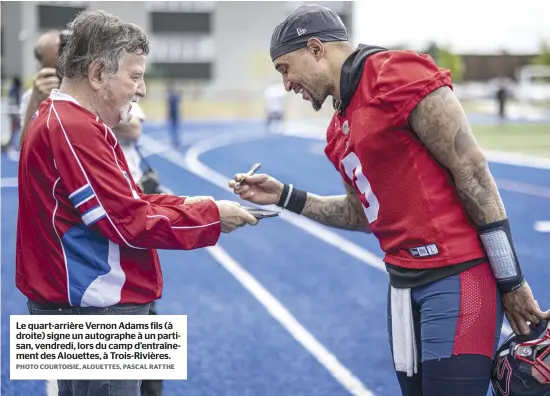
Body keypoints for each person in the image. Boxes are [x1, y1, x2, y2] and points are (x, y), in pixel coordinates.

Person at [229, 4, 550, 396]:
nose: (286, 85)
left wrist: (511, 281)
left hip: (458, 275)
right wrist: (284, 195)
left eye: (285, 68)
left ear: (315, 48)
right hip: (401, 286)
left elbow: (473, 171)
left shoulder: (396, 74)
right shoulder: (337, 128)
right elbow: (362, 214)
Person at [17, 9, 257, 396]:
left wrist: (189, 202)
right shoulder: (74, 128)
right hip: (97, 309)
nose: (142, 89)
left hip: (83, 302)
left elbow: (125, 199)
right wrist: (211, 216)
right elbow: (125, 220)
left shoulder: (62, 117)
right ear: (97, 74)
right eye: (135, 75)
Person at [111, 102, 163, 396]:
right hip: (104, 232)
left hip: (134, 224)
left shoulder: (121, 96)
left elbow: (135, 128)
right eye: (135, 78)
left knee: (144, 317)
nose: (141, 88)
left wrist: (95, 115)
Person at [18, 30, 64, 149]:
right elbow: (24, 147)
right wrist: (35, 102)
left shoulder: (88, 89)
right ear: (42, 67)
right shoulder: (33, 96)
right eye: (55, 69)